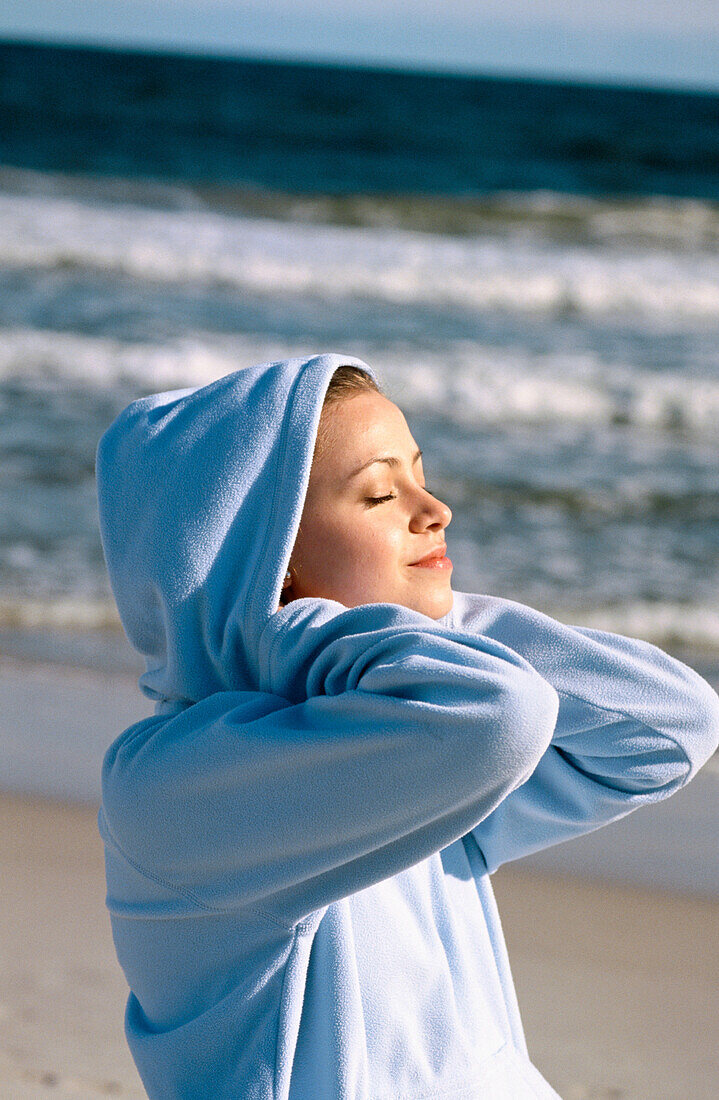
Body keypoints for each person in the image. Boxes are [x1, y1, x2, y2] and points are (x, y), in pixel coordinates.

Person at [95, 353, 719, 1100]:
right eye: (380, 494)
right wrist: (289, 630)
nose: (434, 510)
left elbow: (671, 725)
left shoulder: (414, 740)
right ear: (265, 560)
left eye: (420, 476)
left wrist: (432, 613)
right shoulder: (175, 788)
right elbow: (501, 715)